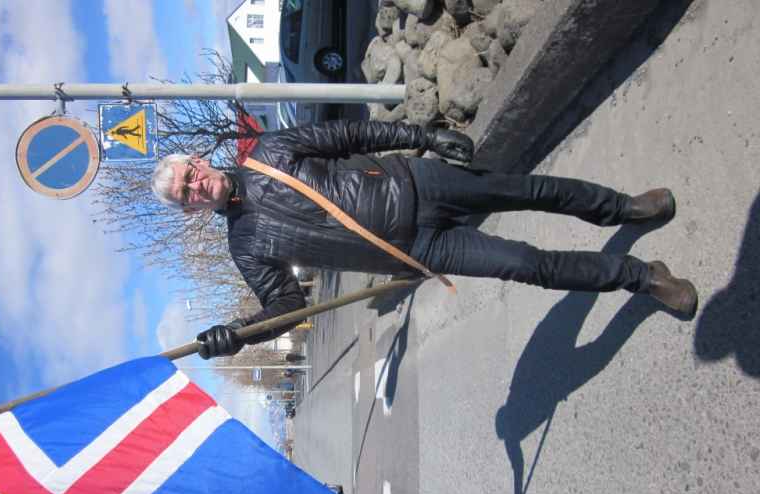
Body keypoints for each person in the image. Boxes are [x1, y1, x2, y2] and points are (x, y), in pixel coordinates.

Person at [151, 120, 698, 360]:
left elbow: (350, 134)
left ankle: (621, 208)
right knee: (528, 265)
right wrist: (242, 335)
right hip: (417, 250)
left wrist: (423, 136)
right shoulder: (245, 246)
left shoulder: (269, 152)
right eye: (186, 195)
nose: (195, 187)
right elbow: (286, 305)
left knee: (527, 190)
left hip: (420, 183)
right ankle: (642, 276)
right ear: (190, 210)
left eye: (190, 176)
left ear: (199, 161)